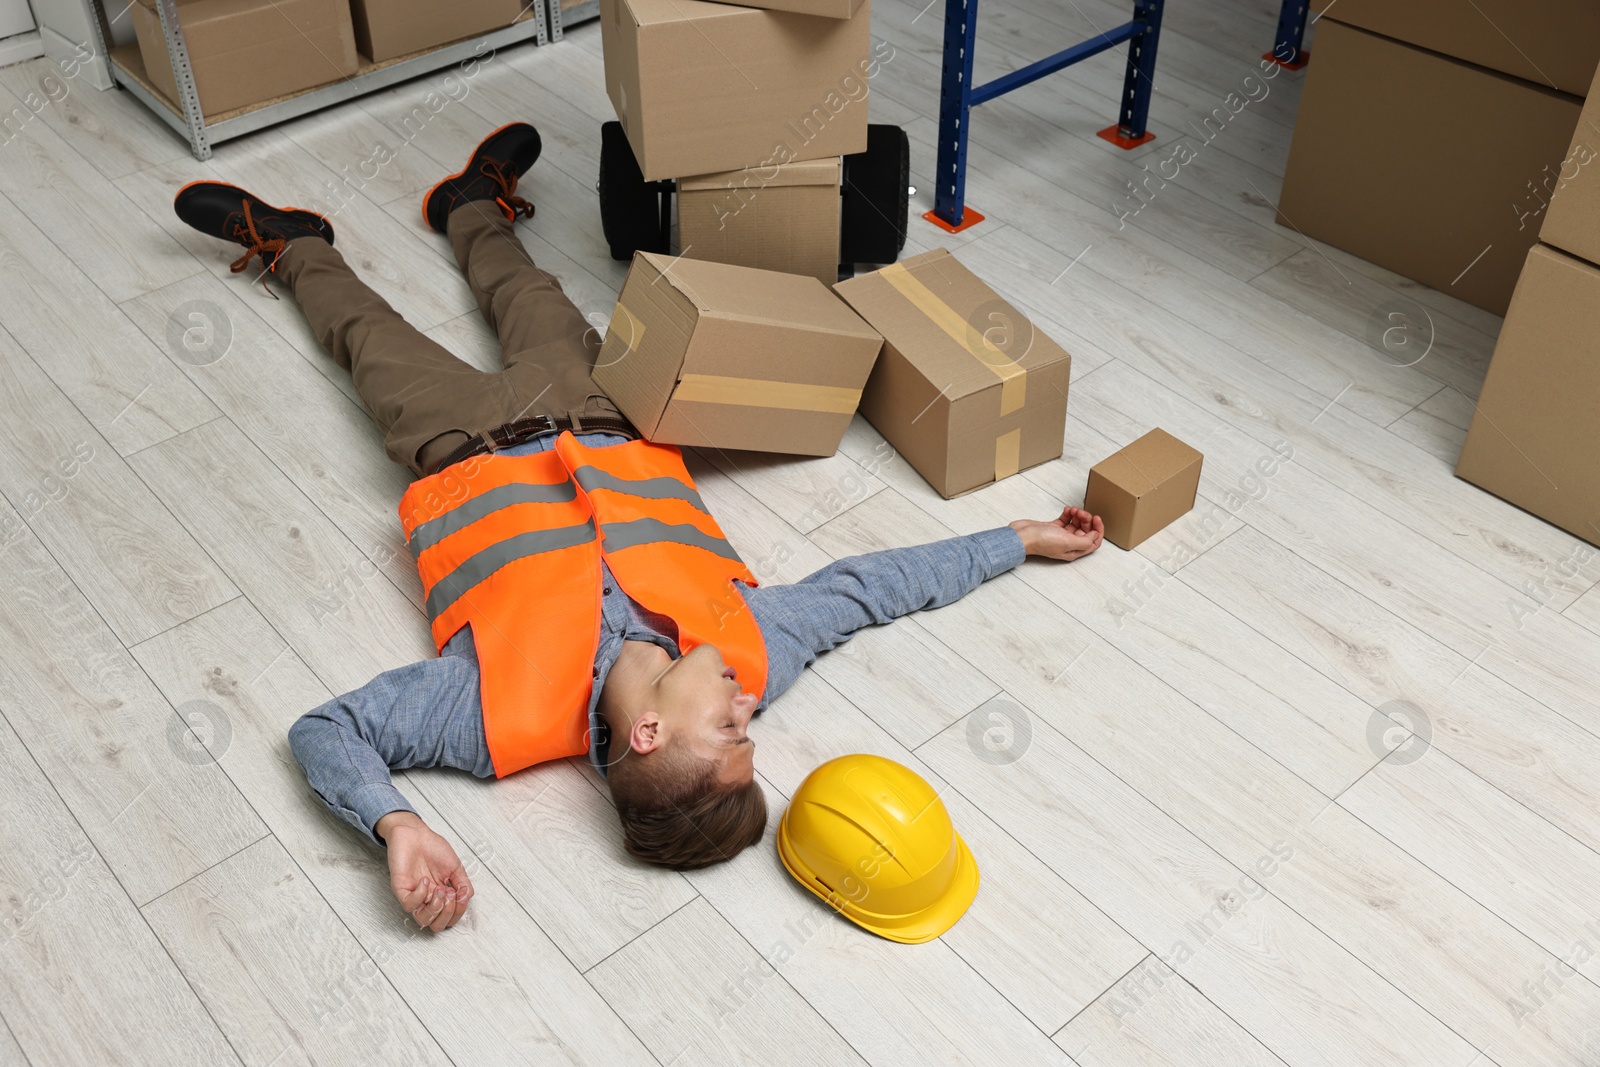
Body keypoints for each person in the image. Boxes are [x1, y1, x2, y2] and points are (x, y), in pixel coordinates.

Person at [172, 122, 1106, 934]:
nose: (749, 708)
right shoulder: (750, 652)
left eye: (731, 733)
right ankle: (470, 205)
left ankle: (294, 246)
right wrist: (1017, 539)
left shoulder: (488, 719)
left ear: (651, 733)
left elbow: (328, 729)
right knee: (530, 295)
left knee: (364, 336)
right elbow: (865, 592)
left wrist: (396, 824)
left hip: (450, 442)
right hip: (595, 414)